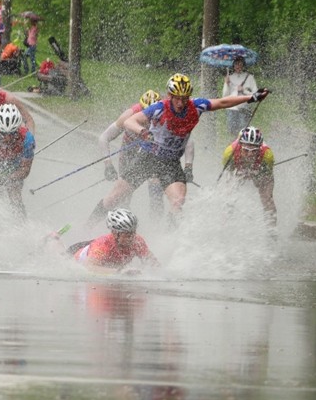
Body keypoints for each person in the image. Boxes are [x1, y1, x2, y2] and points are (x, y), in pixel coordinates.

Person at [87, 73, 269, 226]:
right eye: (177, 98)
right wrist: (142, 131)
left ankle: (168, 239)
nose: (181, 103)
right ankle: (87, 227)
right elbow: (129, 121)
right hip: (148, 157)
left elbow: (222, 102)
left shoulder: (196, 106)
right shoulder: (159, 108)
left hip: (170, 163)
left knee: (178, 201)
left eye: (184, 98)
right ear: (170, 95)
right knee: (114, 198)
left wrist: (251, 97)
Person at [98, 90, 195, 219]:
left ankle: (155, 223)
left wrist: (188, 166)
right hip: (130, 155)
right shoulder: (129, 115)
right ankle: (122, 223)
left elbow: (187, 140)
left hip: (153, 155)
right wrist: (108, 165)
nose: (149, 123)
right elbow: (104, 138)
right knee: (122, 194)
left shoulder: (166, 114)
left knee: (155, 189)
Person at [52, 209, 159, 275]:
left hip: (93, 245)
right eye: (126, 234)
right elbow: (89, 267)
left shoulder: (137, 241)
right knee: (60, 255)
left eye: (133, 232)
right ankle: (55, 237)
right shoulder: (103, 246)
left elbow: (153, 262)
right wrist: (118, 272)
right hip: (78, 253)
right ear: (115, 232)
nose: (131, 237)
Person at [221, 126, 277, 226]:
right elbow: (229, 174)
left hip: (259, 169)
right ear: (241, 146)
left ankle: (271, 231)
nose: (250, 154)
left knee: (267, 198)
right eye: (246, 150)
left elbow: (267, 177)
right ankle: (225, 223)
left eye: (254, 150)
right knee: (229, 193)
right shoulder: (229, 153)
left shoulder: (267, 155)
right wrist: (241, 175)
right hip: (237, 168)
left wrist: (255, 175)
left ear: (259, 148)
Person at [223, 56, 258, 137]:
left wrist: (244, 91)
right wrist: (226, 84)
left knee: (243, 131)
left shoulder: (249, 77)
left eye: (240, 64)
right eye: (236, 64)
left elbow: (255, 94)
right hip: (232, 108)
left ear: (243, 65)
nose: (238, 66)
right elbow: (225, 95)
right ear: (233, 65)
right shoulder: (229, 77)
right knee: (231, 130)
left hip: (244, 108)